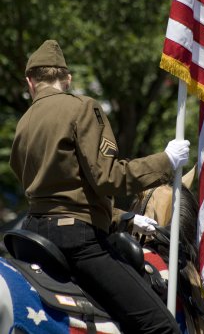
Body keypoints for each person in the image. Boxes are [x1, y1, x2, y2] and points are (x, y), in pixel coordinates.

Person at [10, 40, 190, 334]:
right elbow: (109, 178)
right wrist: (166, 161)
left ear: (31, 82)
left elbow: (52, 192)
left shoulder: (23, 123)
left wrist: (123, 217)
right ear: (66, 78)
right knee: (162, 327)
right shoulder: (82, 108)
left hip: (31, 233)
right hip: (77, 241)